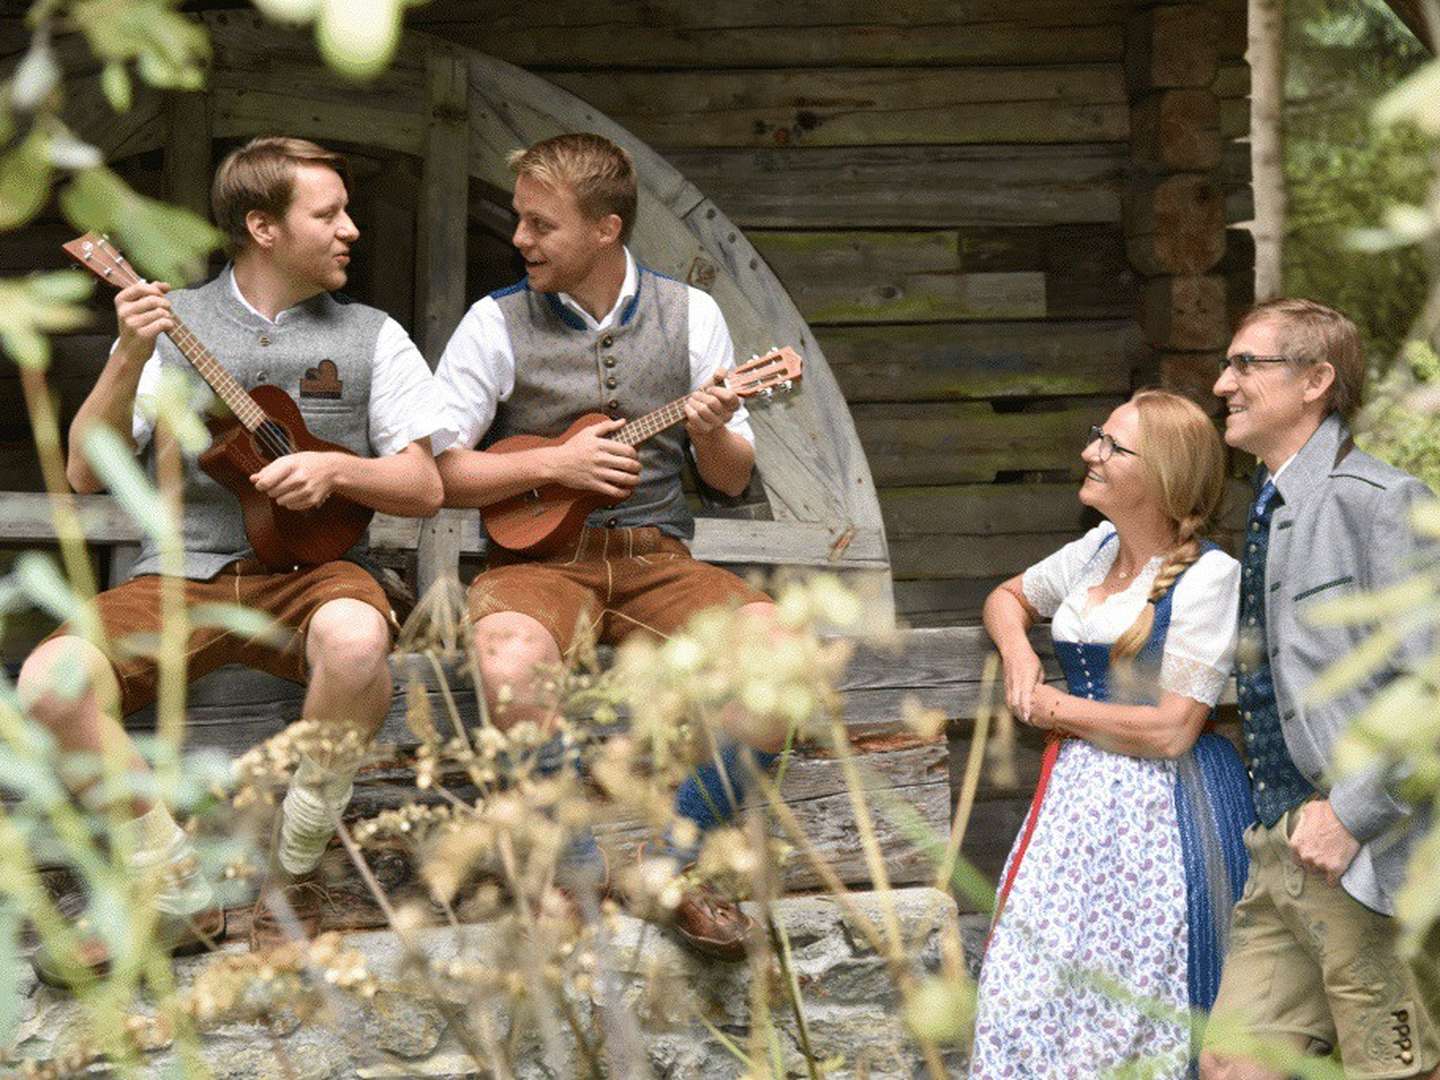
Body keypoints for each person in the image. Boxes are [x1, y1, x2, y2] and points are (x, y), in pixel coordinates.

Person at [19, 136, 452, 977]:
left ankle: (292, 873)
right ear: (262, 225)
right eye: (328, 214)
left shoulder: (374, 335)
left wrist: (336, 465)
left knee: (360, 642)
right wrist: (130, 354)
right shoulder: (171, 326)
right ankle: (174, 886)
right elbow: (84, 471)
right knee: (48, 682)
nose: (351, 230)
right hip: (179, 573)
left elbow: (424, 486)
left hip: (318, 575)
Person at [434, 132, 784, 960]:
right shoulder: (493, 322)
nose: (519, 239)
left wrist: (710, 433)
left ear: (606, 229)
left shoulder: (693, 314)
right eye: (521, 220)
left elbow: (731, 479)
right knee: (508, 657)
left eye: (540, 224)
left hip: (656, 557)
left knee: (782, 658)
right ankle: (571, 872)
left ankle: (672, 863)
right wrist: (558, 462)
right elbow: (439, 471)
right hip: (535, 564)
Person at [969, 389, 1256, 1077]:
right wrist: (1019, 652)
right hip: (1076, 809)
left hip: (1162, 815)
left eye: (1111, 446)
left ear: (1160, 476)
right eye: (1098, 436)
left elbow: (1170, 729)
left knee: (1130, 1007)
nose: (1088, 452)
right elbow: (1006, 596)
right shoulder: (1096, 551)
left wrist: (1055, 711)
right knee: (1023, 990)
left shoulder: (1209, 577)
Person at [1200, 299, 1439, 1080]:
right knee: (1234, 1068)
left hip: (1367, 850)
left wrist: (1351, 814)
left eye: (1246, 364)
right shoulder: (1268, 510)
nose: (1221, 382)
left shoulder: (1381, 503)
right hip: (1281, 846)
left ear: (1316, 379)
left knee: (1393, 1071)